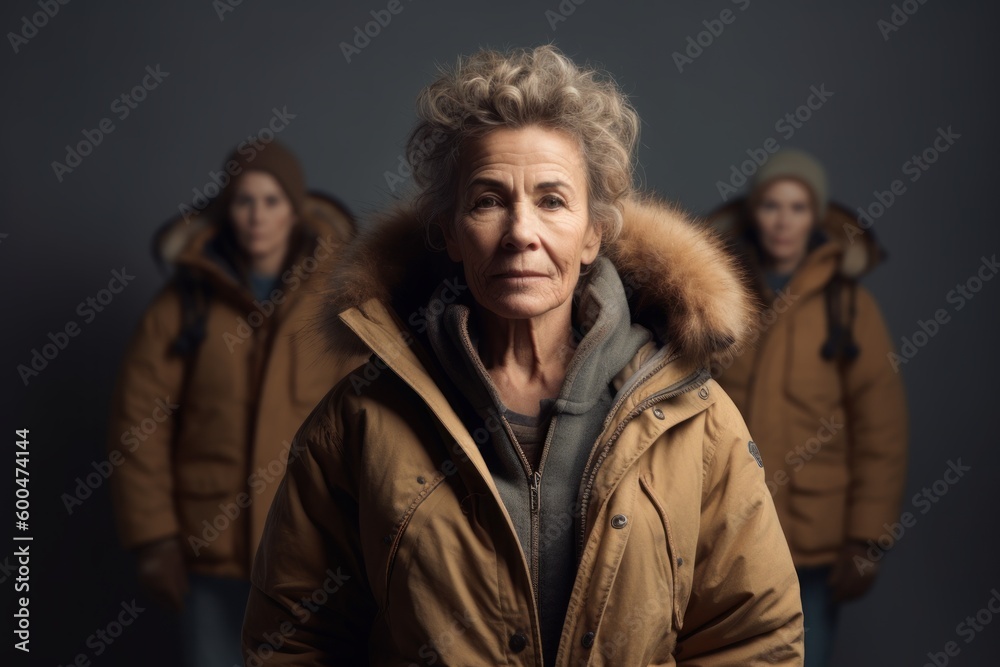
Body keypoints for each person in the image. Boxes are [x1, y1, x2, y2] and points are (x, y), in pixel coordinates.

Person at [242, 45, 804, 666]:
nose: (520, 233)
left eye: (553, 200)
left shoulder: (696, 419)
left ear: (594, 234)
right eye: (487, 200)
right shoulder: (360, 421)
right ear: (450, 233)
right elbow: (291, 641)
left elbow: (754, 639)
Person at [106, 140, 365, 666]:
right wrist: (154, 539)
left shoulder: (340, 303)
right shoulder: (184, 305)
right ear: (227, 210)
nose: (257, 216)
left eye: (271, 201)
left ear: (294, 209)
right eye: (244, 201)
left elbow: (372, 421)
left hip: (312, 555)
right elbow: (139, 425)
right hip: (211, 555)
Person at [706, 148, 909, 667]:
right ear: (754, 212)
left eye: (797, 207)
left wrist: (867, 540)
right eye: (771, 205)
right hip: (726, 532)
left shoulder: (849, 307)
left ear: (815, 214)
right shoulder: (717, 294)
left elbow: (881, 432)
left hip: (813, 541)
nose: (782, 220)